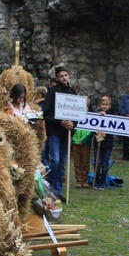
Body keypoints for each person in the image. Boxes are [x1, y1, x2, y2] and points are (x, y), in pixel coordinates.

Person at [41, 66, 76, 200]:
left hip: (66, 133)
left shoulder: (72, 93)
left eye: (66, 75)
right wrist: (60, 122)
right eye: (61, 76)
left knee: (62, 162)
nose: (64, 78)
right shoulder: (52, 92)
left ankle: (58, 191)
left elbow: (77, 114)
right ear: (57, 77)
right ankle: (50, 189)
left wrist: (72, 125)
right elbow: (47, 114)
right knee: (54, 160)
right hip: (55, 132)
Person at [92, 96, 115, 190]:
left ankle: (102, 182)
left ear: (109, 106)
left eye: (106, 105)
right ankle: (96, 180)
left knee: (105, 164)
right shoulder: (96, 114)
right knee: (97, 163)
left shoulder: (112, 114)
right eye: (103, 104)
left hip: (108, 143)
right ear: (100, 105)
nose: (105, 106)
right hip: (97, 142)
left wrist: (106, 115)